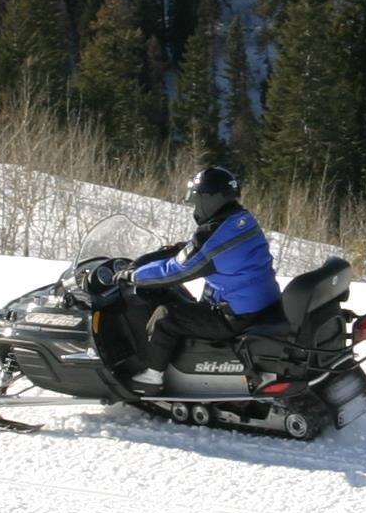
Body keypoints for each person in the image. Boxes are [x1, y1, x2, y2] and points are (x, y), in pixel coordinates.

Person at [119, 164, 280, 383]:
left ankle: (150, 377)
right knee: (182, 300)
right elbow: (212, 250)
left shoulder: (212, 235)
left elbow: (175, 271)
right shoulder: (240, 220)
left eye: (196, 201)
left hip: (236, 315)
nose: (195, 208)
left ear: (209, 199)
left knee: (165, 316)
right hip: (260, 303)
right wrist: (182, 248)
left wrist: (133, 276)